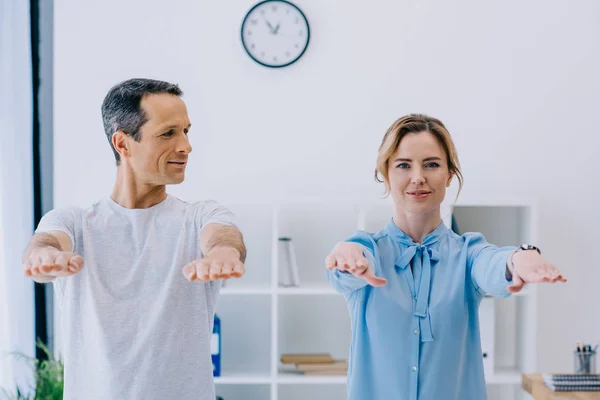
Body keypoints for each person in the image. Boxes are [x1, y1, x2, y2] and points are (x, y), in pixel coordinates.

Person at [21, 78, 246, 400]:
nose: (185, 146)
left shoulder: (200, 216)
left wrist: (224, 253)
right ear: (123, 144)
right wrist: (44, 257)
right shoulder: (73, 222)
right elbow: (45, 244)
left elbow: (224, 235)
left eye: (186, 131)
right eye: (168, 133)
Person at [325, 114, 566, 400]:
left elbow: (492, 262)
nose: (418, 177)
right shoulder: (368, 250)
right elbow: (351, 260)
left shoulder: (468, 253)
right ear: (385, 173)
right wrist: (347, 256)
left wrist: (520, 258)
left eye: (432, 164)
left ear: (449, 174)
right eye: (404, 165)